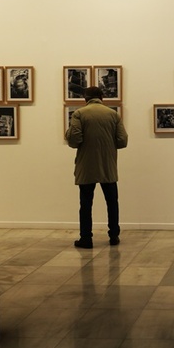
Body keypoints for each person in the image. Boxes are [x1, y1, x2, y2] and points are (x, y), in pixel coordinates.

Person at [65, 86, 128, 248]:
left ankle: (86, 238)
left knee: (86, 204)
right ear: (102, 97)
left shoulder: (79, 114)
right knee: (112, 202)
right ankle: (114, 235)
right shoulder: (113, 114)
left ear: (85, 99)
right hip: (108, 165)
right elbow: (122, 141)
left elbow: (74, 140)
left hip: (87, 165)